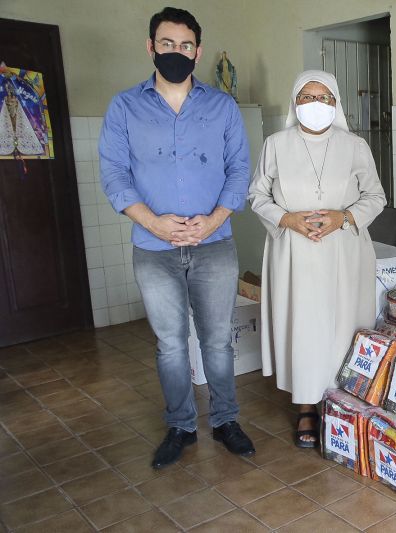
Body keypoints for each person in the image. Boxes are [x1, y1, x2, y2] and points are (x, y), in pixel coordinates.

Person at [99, 7, 255, 469]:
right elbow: (113, 174)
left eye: (185, 46)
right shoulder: (124, 107)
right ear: (151, 47)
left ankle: (226, 420)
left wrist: (212, 220)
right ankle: (181, 426)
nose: (176, 53)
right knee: (170, 344)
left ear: (198, 51)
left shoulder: (221, 106)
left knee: (218, 342)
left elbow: (239, 170)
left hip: (214, 244)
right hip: (154, 250)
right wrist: (153, 223)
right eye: (167, 44)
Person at [249, 70, 386, 447]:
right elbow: (257, 196)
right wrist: (286, 218)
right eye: (306, 97)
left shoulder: (355, 145)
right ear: (295, 103)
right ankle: (307, 406)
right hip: (294, 252)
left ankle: (342, 402)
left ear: (336, 103)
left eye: (323, 97)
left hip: (345, 250)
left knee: (344, 325)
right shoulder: (275, 144)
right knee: (304, 327)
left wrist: (342, 217)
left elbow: (376, 197)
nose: (315, 105)